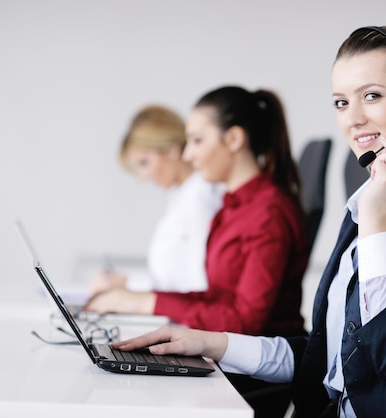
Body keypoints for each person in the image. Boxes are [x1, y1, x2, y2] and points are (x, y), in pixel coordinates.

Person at [112, 25, 386, 418]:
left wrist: (374, 219)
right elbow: (327, 356)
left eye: (371, 96)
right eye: (340, 102)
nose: (352, 119)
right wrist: (208, 343)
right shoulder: (374, 200)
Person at [86, 86, 310, 338]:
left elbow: (245, 323)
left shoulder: (268, 212)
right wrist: (139, 299)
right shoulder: (231, 207)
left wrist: (145, 303)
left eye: (197, 140)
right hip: (232, 352)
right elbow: (214, 297)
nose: (188, 153)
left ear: (234, 139)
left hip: (254, 364)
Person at [89, 105, 223, 294]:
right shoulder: (183, 195)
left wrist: (127, 285)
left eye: (145, 163)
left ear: (172, 150)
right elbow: (171, 280)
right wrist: (125, 283)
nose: (144, 176)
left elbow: (200, 284)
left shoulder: (200, 197)